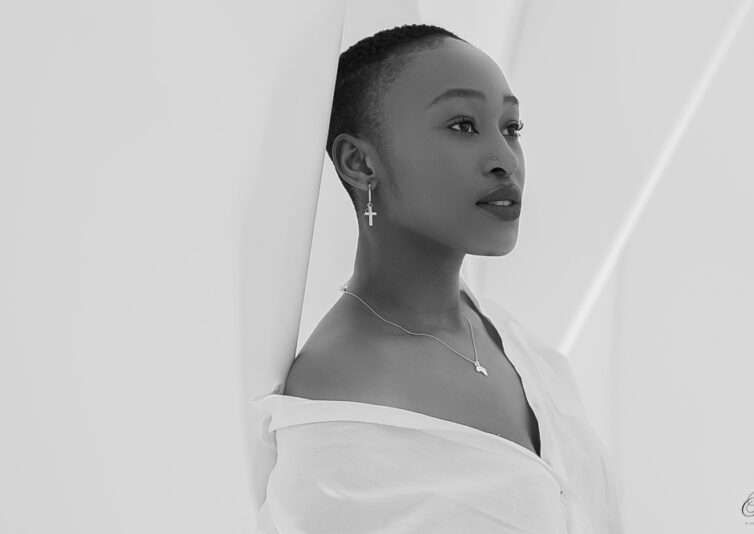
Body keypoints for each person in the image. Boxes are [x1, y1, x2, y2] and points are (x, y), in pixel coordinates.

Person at [251, 23, 625, 533]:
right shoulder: (344, 397)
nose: (504, 161)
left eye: (511, 128)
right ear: (359, 162)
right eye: (463, 125)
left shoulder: (497, 329)